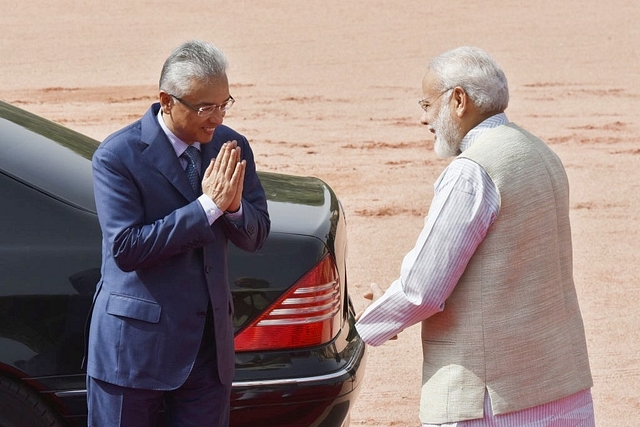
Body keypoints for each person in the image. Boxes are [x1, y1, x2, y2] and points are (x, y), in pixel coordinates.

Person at [355, 46, 595, 426]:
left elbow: (423, 290)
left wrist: (359, 328)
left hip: (489, 399)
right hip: (561, 386)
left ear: (459, 100)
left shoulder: (471, 171)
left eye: (427, 104)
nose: (423, 118)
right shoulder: (540, 152)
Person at [86, 40, 271, 427]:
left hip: (207, 350)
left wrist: (234, 208)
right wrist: (208, 207)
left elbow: (255, 235)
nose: (217, 118)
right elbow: (127, 247)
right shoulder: (117, 156)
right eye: (206, 107)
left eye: (224, 104)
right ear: (167, 101)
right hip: (133, 353)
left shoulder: (229, 147)